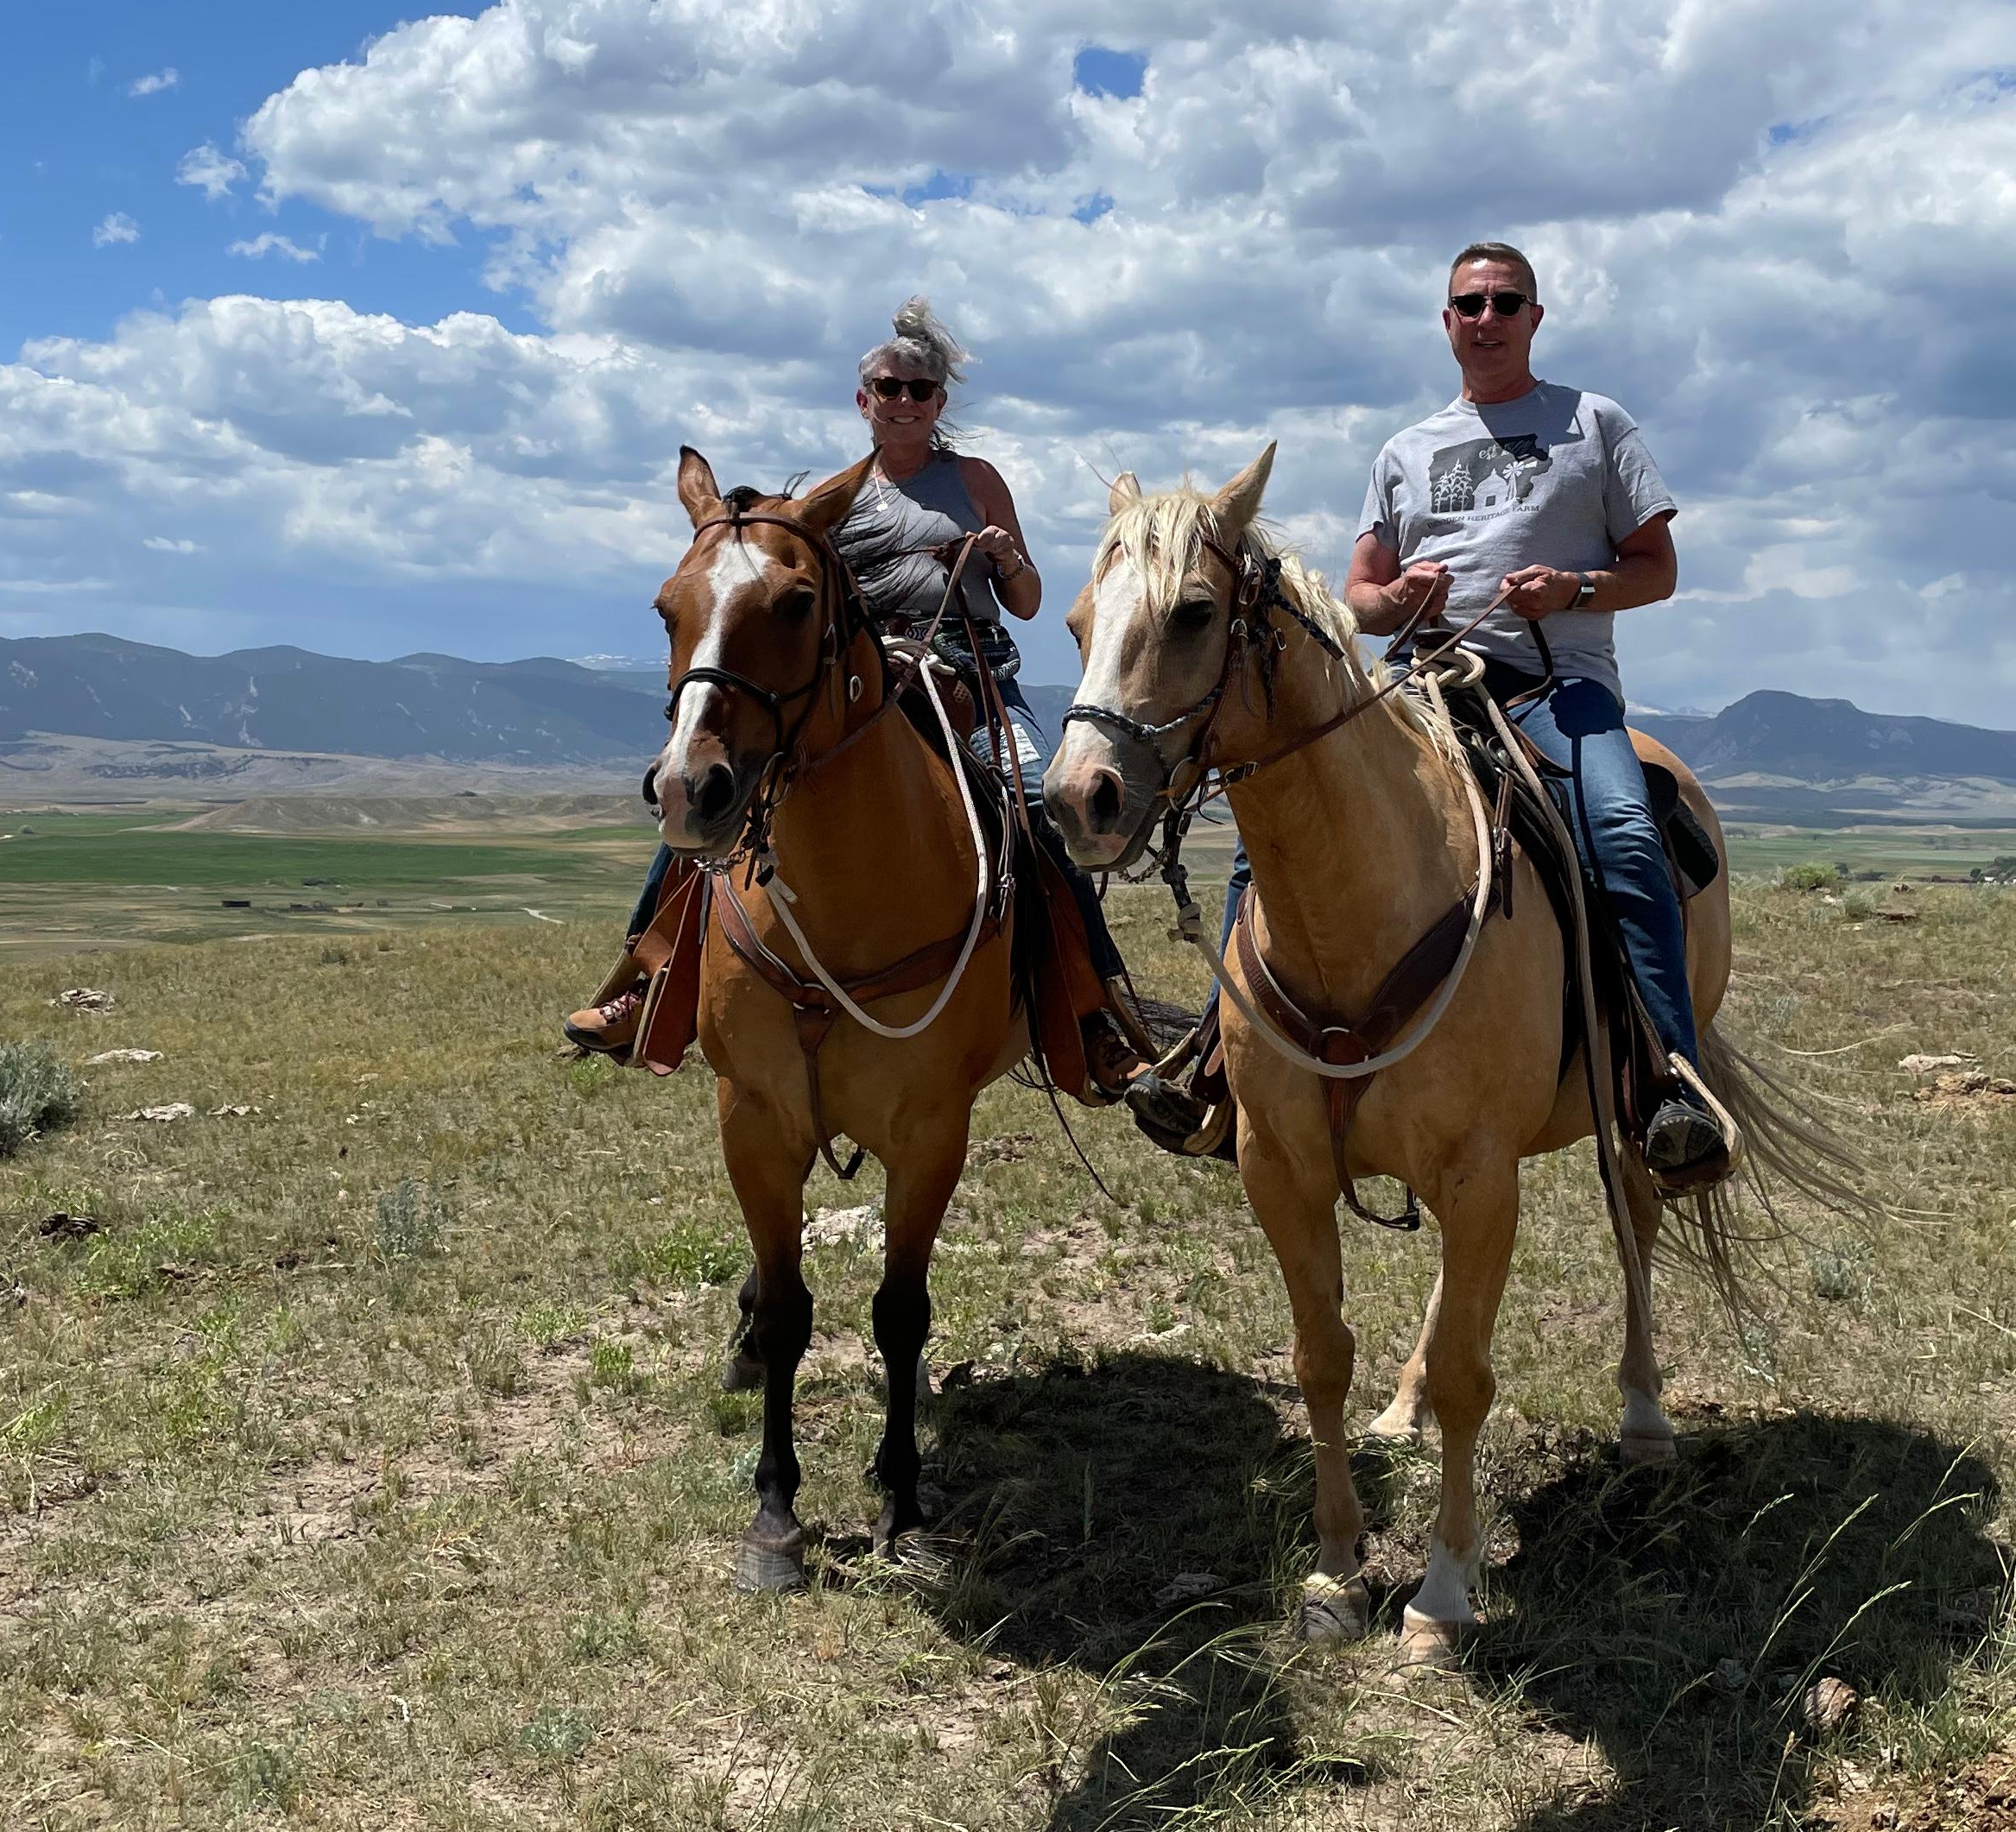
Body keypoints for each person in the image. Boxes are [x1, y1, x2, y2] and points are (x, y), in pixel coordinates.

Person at [1122, 242, 1723, 1178]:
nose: (1486, 320)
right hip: (1416, 685)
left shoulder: (1595, 424)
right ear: (1446, 323)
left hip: (1553, 686)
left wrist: (1571, 587)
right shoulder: (1406, 450)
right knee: (1267, 831)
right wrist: (1397, 601)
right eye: (1468, 306)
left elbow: (1659, 569)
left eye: (1505, 302)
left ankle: (1667, 1079)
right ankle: (1212, 1062)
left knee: (1621, 829)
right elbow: (1356, 598)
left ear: (1534, 317)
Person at [564, 300, 1148, 1087]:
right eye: (888, 386)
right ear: (863, 398)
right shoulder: (832, 498)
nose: (904, 400)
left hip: (969, 676)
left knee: (1035, 807)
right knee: (719, 795)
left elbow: (1031, 602)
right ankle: (647, 979)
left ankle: (1092, 1010)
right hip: (861, 681)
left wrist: (1004, 557)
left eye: (921, 389)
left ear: (940, 403)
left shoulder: (975, 481)